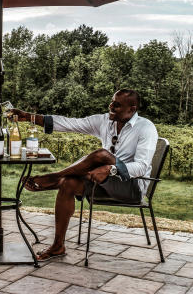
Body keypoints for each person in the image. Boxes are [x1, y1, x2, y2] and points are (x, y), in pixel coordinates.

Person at [10, 89, 158, 260]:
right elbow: (69, 123)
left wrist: (111, 169)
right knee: (69, 184)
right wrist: (29, 117)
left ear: (132, 109)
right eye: (111, 102)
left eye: (116, 105)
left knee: (102, 155)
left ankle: (53, 178)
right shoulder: (105, 121)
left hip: (130, 188)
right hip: (101, 182)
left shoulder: (146, 128)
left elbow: (141, 167)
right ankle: (58, 246)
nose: (110, 106)